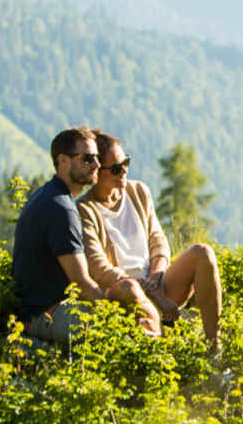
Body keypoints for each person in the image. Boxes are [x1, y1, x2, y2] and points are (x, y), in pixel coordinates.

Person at [11, 126, 161, 344]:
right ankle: (160, 345)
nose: (97, 165)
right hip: (47, 313)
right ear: (63, 161)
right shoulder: (62, 209)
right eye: (88, 159)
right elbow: (81, 282)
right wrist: (113, 317)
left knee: (128, 304)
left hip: (44, 308)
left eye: (97, 159)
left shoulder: (49, 195)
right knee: (122, 334)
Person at [79, 131, 222, 353]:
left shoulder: (138, 191)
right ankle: (164, 351)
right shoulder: (85, 210)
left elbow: (158, 241)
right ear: (97, 171)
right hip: (122, 292)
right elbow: (98, 267)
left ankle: (215, 349)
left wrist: (156, 277)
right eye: (116, 169)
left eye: (125, 163)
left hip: (156, 283)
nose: (124, 171)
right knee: (129, 288)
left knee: (202, 253)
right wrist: (150, 292)